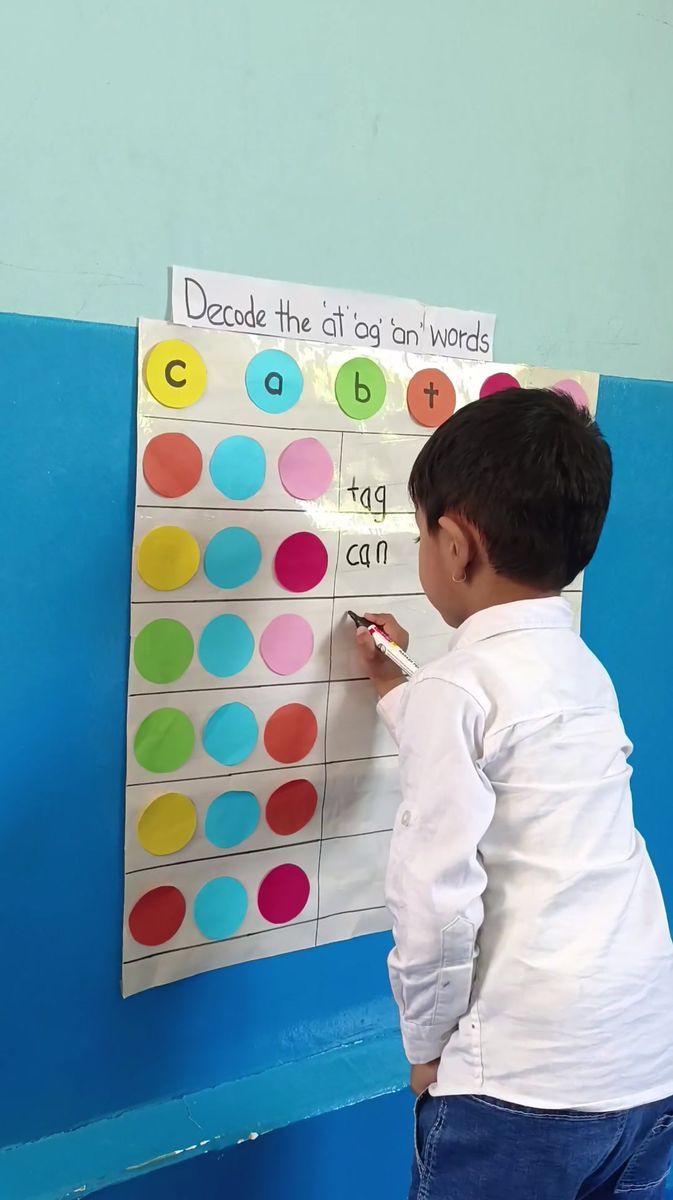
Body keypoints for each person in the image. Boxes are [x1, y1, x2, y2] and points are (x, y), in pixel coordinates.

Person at [354, 389, 673, 1200]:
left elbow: (434, 903)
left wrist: (424, 1045)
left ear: (454, 546)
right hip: (644, 1066)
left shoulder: (456, 690)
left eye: (420, 533)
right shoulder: (579, 667)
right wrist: (401, 695)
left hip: (520, 1090)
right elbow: (516, 766)